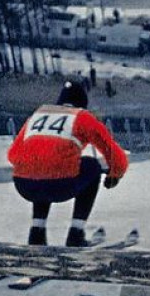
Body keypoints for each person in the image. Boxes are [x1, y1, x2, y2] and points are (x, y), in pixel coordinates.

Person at [7, 79, 128, 247]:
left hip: (24, 185)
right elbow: (111, 150)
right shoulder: (81, 116)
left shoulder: (38, 115)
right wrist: (116, 173)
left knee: (41, 165)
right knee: (92, 166)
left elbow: (12, 154)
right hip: (60, 186)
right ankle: (76, 233)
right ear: (82, 103)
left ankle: (36, 233)